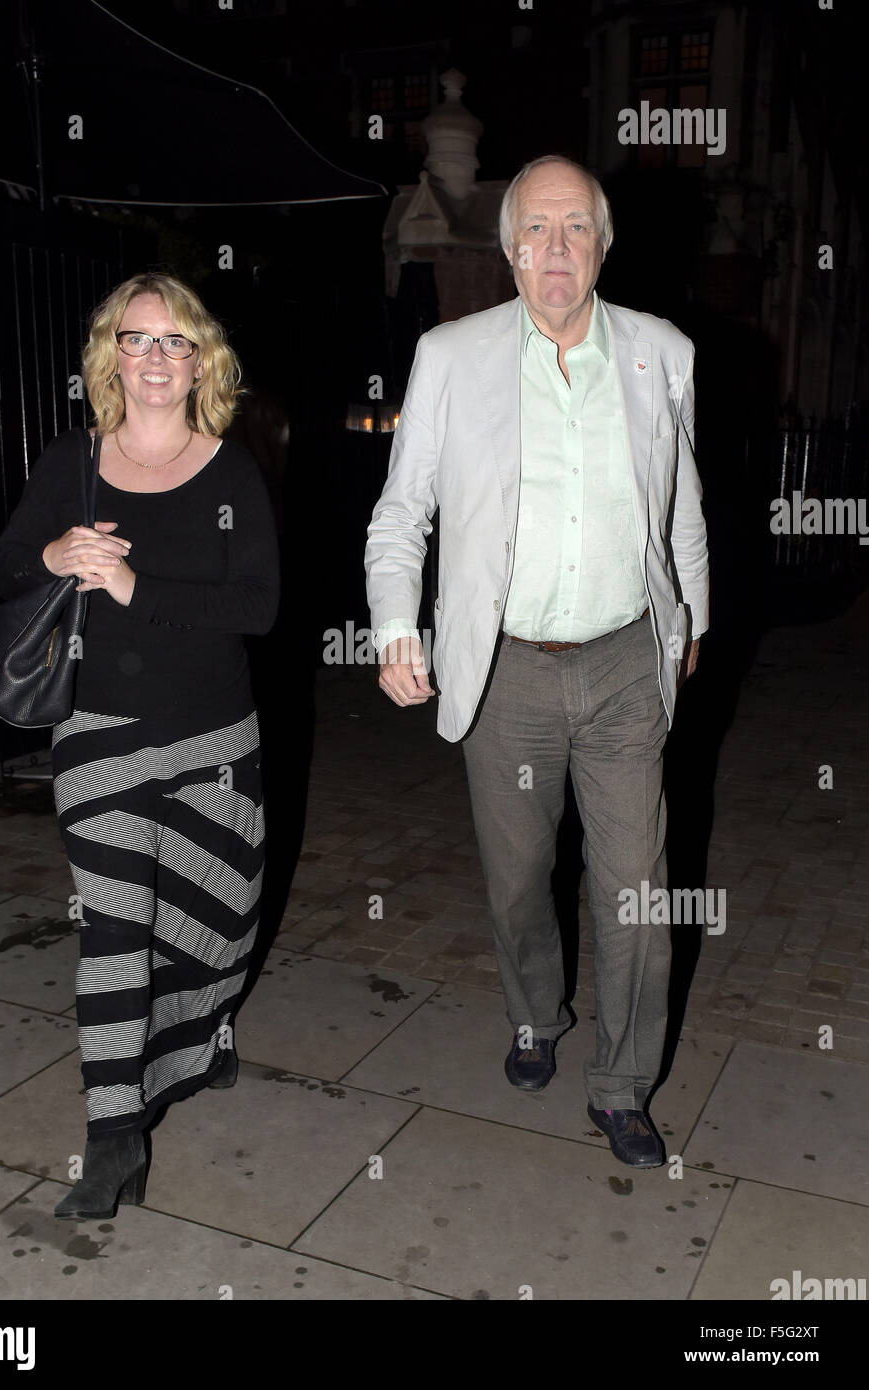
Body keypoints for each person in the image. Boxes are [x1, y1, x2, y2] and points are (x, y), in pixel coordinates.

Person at [365, 156, 708, 1168]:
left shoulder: (662, 353)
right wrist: (394, 625)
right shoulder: (450, 355)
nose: (556, 249)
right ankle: (532, 1011)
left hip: (620, 668)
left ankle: (621, 1083)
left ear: (601, 244)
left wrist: (690, 625)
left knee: (634, 892)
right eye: (537, 230)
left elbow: (680, 503)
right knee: (519, 882)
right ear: (509, 248)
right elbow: (402, 510)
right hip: (505, 671)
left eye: (576, 229)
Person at [0, 271, 279, 1216]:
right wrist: (53, 556)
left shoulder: (232, 472)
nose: (154, 358)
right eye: (136, 338)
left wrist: (131, 588)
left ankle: (201, 1042)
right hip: (100, 740)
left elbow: (257, 606)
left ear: (202, 359)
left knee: (215, 928)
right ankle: (113, 1136)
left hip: (214, 741)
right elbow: (1, 562)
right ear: (110, 353)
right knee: (115, 934)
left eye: (174, 341)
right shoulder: (72, 462)